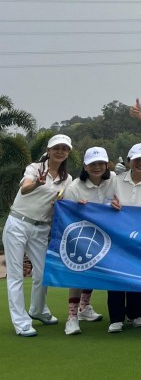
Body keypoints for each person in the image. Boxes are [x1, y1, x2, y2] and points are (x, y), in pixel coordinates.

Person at [3, 134, 73, 337]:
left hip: (41, 228)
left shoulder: (67, 179)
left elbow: (65, 201)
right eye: (56, 148)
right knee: (15, 275)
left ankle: (38, 310)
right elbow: (25, 189)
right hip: (18, 223)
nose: (60, 151)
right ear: (48, 150)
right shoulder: (35, 168)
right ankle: (21, 322)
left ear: (68, 153)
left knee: (42, 274)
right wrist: (37, 184)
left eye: (64, 149)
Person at [61, 146, 114, 335]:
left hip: (108, 235)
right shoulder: (74, 187)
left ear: (106, 165)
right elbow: (67, 215)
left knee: (94, 271)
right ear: (85, 166)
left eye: (100, 163)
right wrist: (76, 208)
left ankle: (84, 307)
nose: (97, 167)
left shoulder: (113, 179)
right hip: (81, 236)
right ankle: (72, 317)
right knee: (78, 273)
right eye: (93, 164)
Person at [106, 142, 141, 333]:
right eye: (137, 159)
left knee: (137, 275)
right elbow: (104, 202)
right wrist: (109, 205)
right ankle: (116, 318)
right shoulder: (116, 180)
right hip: (117, 237)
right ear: (129, 161)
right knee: (116, 277)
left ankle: (135, 314)